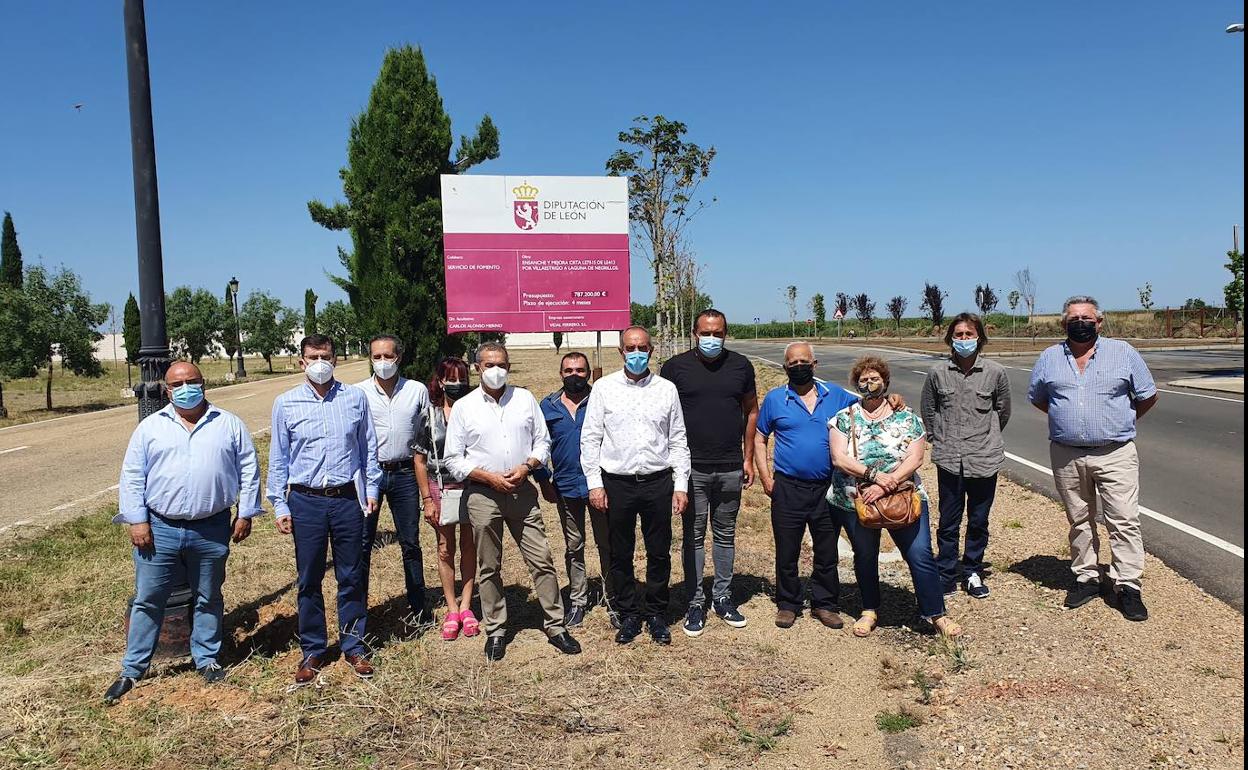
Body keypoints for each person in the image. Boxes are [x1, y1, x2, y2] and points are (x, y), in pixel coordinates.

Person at [105, 361, 262, 704]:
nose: (186, 387)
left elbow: (249, 468)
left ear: (204, 384)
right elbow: (132, 476)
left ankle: (206, 658)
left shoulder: (228, 424)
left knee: (209, 595)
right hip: (160, 528)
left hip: (212, 526)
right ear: (167, 390)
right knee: (149, 599)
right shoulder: (150, 428)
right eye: (178, 383)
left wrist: (246, 512)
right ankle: (133, 669)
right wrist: (137, 520)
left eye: (193, 381)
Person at [444, 342, 581, 661]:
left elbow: (542, 440)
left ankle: (555, 624)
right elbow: (453, 458)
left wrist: (527, 466)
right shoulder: (465, 407)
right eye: (490, 365)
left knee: (541, 559)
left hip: (522, 491)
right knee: (489, 565)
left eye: (502, 364)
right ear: (478, 367)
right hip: (482, 494)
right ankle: (495, 629)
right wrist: (487, 477)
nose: (496, 370)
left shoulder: (524, 399)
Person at [1027, 295, 1158, 622]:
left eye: (1087, 318)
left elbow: (1147, 396)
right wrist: (1071, 423)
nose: (1081, 323)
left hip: (1115, 453)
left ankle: (1127, 584)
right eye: (1074, 319)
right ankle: (1087, 577)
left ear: (1099, 322)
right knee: (1079, 518)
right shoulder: (1049, 357)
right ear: (1063, 323)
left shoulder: (1123, 353)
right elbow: (1040, 399)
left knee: (1123, 518)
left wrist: (1116, 423)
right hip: (1066, 455)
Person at [268, 334, 382, 685]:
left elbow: (368, 449)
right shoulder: (286, 404)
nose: (320, 363)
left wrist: (372, 488)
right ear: (301, 362)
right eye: (313, 356)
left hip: (348, 498)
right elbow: (279, 458)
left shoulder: (354, 399)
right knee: (309, 578)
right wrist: (279, 503)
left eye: (326, 356)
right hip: (306, 500)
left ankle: (353, 644)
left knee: (351, 574)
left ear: (336, 359)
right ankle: (313, 649)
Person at [829, 356, 962, 639]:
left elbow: (915, 458)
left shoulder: (907, 416)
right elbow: (839, 458)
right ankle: (869, 610)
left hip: (904, 495)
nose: (869, 384)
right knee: (865, 555)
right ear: (856, 383)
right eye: (863, 380)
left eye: (874, 378)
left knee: (920, 554)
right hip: (858, 498)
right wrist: (874, 477)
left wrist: (888, 484)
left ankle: (936, 613)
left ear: (885, 382)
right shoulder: (845, 417)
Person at [581, 326, 691, 646]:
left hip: (658, 482)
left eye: (643, 347)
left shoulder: (666, 389)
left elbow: (678, 440)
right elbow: (591, 439)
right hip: (617, 483)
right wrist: (595, 484)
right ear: (621, 352)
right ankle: (628, 613)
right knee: (621, 552)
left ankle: (657, 612)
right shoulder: (603, 388)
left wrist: (680, 484)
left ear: (652, 351)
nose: (637, 353)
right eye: (631, 348)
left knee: (659, 552)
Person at [660, 309, 759, 637]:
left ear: (726, 334)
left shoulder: (741, 366)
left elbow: (751, 411)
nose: (711, 339)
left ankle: (723, 597)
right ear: (694, 332)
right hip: (692, 470)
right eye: (706, 333)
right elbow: (664, 417)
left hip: (730, 467)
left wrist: (748, 458)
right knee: (694, 535)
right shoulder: (675, 368)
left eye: (718, 333)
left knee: (726, 534)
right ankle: (694, 601)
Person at [753, 342, 861, 630]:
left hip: (827, 487)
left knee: (827, 550)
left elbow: (867, 412)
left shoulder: (836, 395)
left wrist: (892, 400)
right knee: (786, 550)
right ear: (785, 367)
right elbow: (760, 437)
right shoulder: (776, 399)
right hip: (787, 486)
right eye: (793, 362)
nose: (799, 366)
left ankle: (825, 604)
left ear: (815, 364)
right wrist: (766, 476)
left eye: (804, 361)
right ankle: (788, 604)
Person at [920, 313, 1011, 599]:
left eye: (969, 334)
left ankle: (972, 570)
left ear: (979, 338)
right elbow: (929, 410)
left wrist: (987, 438)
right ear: (950, 339)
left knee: (978, 520)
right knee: (948, 521)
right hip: (949, 458)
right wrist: (940, 438)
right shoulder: (938, 373)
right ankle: (946, 573)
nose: (963, 339)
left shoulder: (995, 372)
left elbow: (1003, 411)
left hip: (984, 458)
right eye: (958, 335)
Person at [535, 351, 617, 629]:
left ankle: (613, 597)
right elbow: (537, 444)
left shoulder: (602, 401)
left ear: (588, 373)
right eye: (568, 370)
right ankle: (578, 600)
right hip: (566, 487)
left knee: (607, 543)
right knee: (574, 545)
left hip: (601, 487)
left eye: (580, 370)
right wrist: (543, 479)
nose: (574, 375)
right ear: (561, 373)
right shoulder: (547, 406)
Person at [356, 334, 431, 627]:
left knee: (410, 542)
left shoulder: (416, 390)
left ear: (399, 357)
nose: (383, 362)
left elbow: (425, 434)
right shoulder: (358, 392)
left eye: (388, 356)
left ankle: (418, 605)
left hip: (405, 474)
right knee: (363, 543)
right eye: (377, 356)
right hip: (369, 475)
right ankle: (358, 608)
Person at [415, 356, 480, 641]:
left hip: (471, 486)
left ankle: (467, 607)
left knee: (469, 545)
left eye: (461, 379)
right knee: (444, 547)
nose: (456, 384)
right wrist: (427, 499)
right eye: (450, 379)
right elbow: (418, 460)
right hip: (439, 487)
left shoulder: (474, 410)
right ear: (440, 381)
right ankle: (451, 608)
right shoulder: (428, 415)